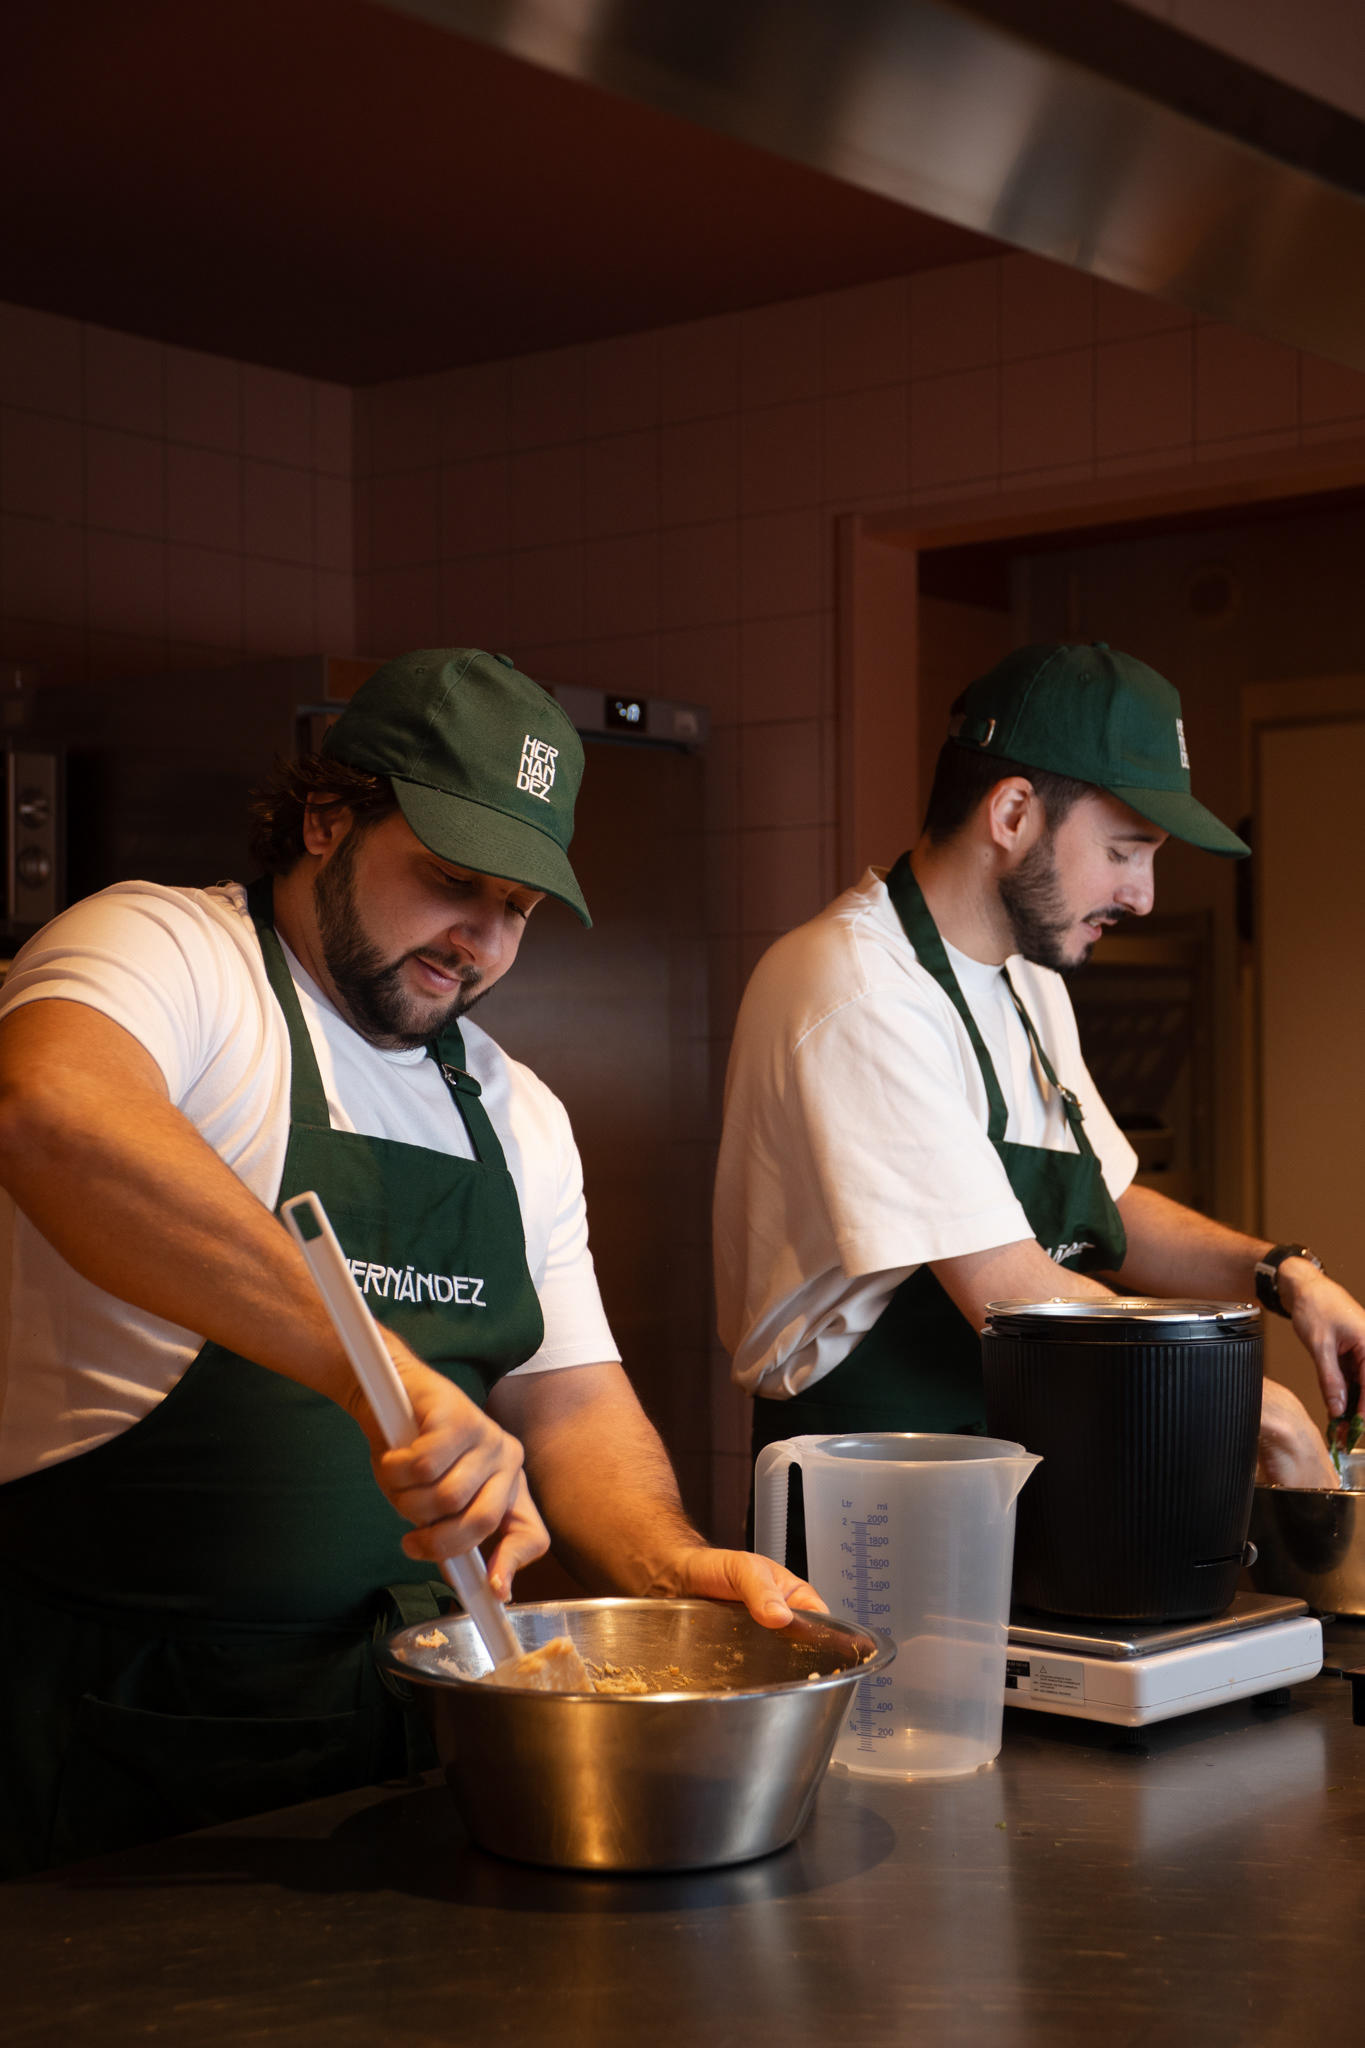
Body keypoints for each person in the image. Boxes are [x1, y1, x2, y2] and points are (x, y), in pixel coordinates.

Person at [0, 647, 819, 1877]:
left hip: (423, 1736)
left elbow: (569, 1395)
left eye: (518, 908)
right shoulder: (168, 949)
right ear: (327, 818)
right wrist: (378, 1370)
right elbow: (51, 1112)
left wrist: (665, 1560)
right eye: (451, 880)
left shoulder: (515, 1107)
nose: (479, 939)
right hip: (132, 1737)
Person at [714, 642, 1363, 1555]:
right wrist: (1257, 1405)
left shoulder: (1027, 980)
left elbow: (1109, 1204)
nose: (1142, 895)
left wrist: (1285, 1276)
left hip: (1008, 1470)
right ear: (1013, 812)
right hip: (869, 1512)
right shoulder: (856, 986)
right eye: (1123, 852)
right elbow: (1010, 1293)